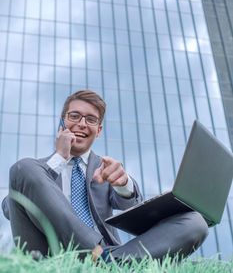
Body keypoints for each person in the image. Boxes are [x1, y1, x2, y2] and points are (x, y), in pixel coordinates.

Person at [2, 89, 208, 261]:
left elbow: (134, 211)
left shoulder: (105, 169)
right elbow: (10, 207)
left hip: (111, 254)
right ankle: (96, 257)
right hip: (48, 254)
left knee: (195, 221)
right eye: (74, 116)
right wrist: (58, 160)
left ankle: (109, 264)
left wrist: (123, 184)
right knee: (22, 167)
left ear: (98, 130)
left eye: (90, 119)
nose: (82, 123)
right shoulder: (35, 170)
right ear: (62, 122)